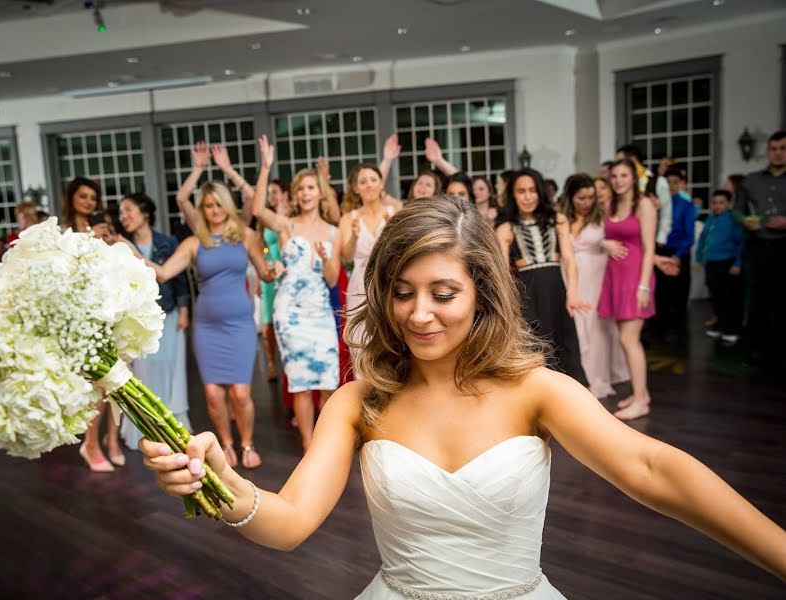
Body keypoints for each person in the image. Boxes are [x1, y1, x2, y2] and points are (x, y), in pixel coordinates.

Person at [139, 195, 786, 598]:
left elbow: (651, 468)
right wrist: (223, 485)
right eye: (401, 291)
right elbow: (290, 523)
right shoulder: (357, 403)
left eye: (443, 293)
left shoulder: (536, 391)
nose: (419, 314)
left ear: (481, 292)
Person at [137, 180, 274, 469]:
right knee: (213, 394)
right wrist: (132, 251)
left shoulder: (246, 236)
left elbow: (265, 273)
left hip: (239, 326)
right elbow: (163, 273)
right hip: (207, 327)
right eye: (208, 205)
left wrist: (273, 269)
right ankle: (226, 444)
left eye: (219, 203)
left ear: (228, 205)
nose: (214, 210)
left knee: (240, 393)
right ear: (202, 209)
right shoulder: (194, 243)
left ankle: (247, 443)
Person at [253, 135, 342, 451]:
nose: (305, 193)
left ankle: (325, 442)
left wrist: (327, 256)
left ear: (320, 192)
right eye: (300, 188)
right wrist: (266, 167)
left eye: (310, 187)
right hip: (290, 313)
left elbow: (332, 280)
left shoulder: (335, 230)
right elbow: (256, 208)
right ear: (295, 194)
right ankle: (308, 445)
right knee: (301, 384)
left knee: (328, 381)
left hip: (319, 312)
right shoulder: (286, 226)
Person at [496, 168, 589, 386]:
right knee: (536, 351)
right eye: (521, 191)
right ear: (513, 195)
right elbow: (501, 273)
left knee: (566, 349)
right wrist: (510, 306)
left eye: (532, 190)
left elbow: (569, 259)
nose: (527, 196)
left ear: (540, 192)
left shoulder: (558, 220)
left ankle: (571, 411)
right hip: (527, 294)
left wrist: (573, 293)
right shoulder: (506, 228)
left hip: (557, 291)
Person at [117, 193, 191, 451]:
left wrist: (184, 310)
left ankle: (172, 427)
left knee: (170, 369)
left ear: (144, 212)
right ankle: (146, 429)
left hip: (168, 314)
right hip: (137, 321)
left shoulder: (167, 242)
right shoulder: (121, 246)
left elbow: (180, 279)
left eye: (128, 210)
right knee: (144, 373)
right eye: (121, 212)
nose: (123, 216)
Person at [61, 176, 121, 472]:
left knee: (116, 382)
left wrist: (107, 243)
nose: (89, 202)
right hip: (81, 315)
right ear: (72, 197)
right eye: (83, 196)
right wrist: (87, 241)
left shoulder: (101, 227)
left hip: (108, 306)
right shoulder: (62, 232)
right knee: (96, 386)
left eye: (93, 198)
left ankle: (113, 441)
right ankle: (91, 442)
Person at [597, 159, 656, 420]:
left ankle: (641, 401)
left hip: (635, 276)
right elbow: (602, 235)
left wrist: (644, 285)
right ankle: (639, 392)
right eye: (615, 175)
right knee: (625, 339)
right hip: (615, 276)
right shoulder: (610, 205)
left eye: (624, 175)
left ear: (633, 177)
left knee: (628, 339)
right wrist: (606, 243)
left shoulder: (644, 204)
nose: (619, 180)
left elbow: (649, 247)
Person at [560, 174, 629, 398]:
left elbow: (625, 235)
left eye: (591, 197)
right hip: (570, 274)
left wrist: (604, 243)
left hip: (597, 275)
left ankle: (597, 376)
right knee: (576, 325)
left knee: (596, 326)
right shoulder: (561, 217)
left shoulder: (603, 214)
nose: (587, 202)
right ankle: (579, 375)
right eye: (581, 198)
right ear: (570, 197)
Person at [733, 130, 786, 369]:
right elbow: (736, 210)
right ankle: (754, 351)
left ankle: (779, 353)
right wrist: (744, 220)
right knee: (755, 301)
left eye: (783, 148)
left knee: (781, 300)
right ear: (768, 151)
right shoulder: (751, 180)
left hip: (784, 246)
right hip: (757, 246)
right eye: (774, 148)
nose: (777, 153)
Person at [339, 164, 397, 375]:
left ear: (381, 183)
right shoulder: (348, 218)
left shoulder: (395, 211)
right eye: (362, 181)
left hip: (389, 280)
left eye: (373, 179)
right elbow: (346, 256)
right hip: (360, 282)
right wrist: (354, 236)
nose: (368, 185)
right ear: (356, 188)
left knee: (391, 335)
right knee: (361, 337)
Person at [651, 164, 697, 343]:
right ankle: (658, 328)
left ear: (681, 184)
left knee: (677, 294)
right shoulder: (658, 204)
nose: (671, 185)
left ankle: (676, 329)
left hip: (678, 253)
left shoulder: (686, 206)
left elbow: (689, 235)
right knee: (659, 292)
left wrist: (677, 256)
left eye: (675, 182)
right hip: (659, 251)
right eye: (668, 182)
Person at [696, 190, 744, 345]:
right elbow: (703, 240)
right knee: (715, 297)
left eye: (721, 203)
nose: (717, 206)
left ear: (729, 204)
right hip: (711, 263)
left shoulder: (733, 220)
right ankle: (719, 327)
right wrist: (698, 258)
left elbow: (742, 243)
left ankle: (731, 331)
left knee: (729, 298)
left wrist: (738, 263)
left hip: (727, 263)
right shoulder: (710, 219)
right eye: (714, 203)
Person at [260, 179, 290, 382]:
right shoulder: (266, 218)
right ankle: (271, 362)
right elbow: (261, 246)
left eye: (275, 191)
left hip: (287, 271)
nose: (272, 196)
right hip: (269, 272)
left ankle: (286, 358)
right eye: (269, 192)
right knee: (267, 323)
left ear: (285, 193)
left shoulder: (291, 215)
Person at [616, 144, 671, 248]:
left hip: (651, 239)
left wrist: (660, 240)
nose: (618, 165)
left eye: (620, 161)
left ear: (632, 159)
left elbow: (666, 214)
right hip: (627, 240)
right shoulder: (621, 184)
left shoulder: (659, 182)